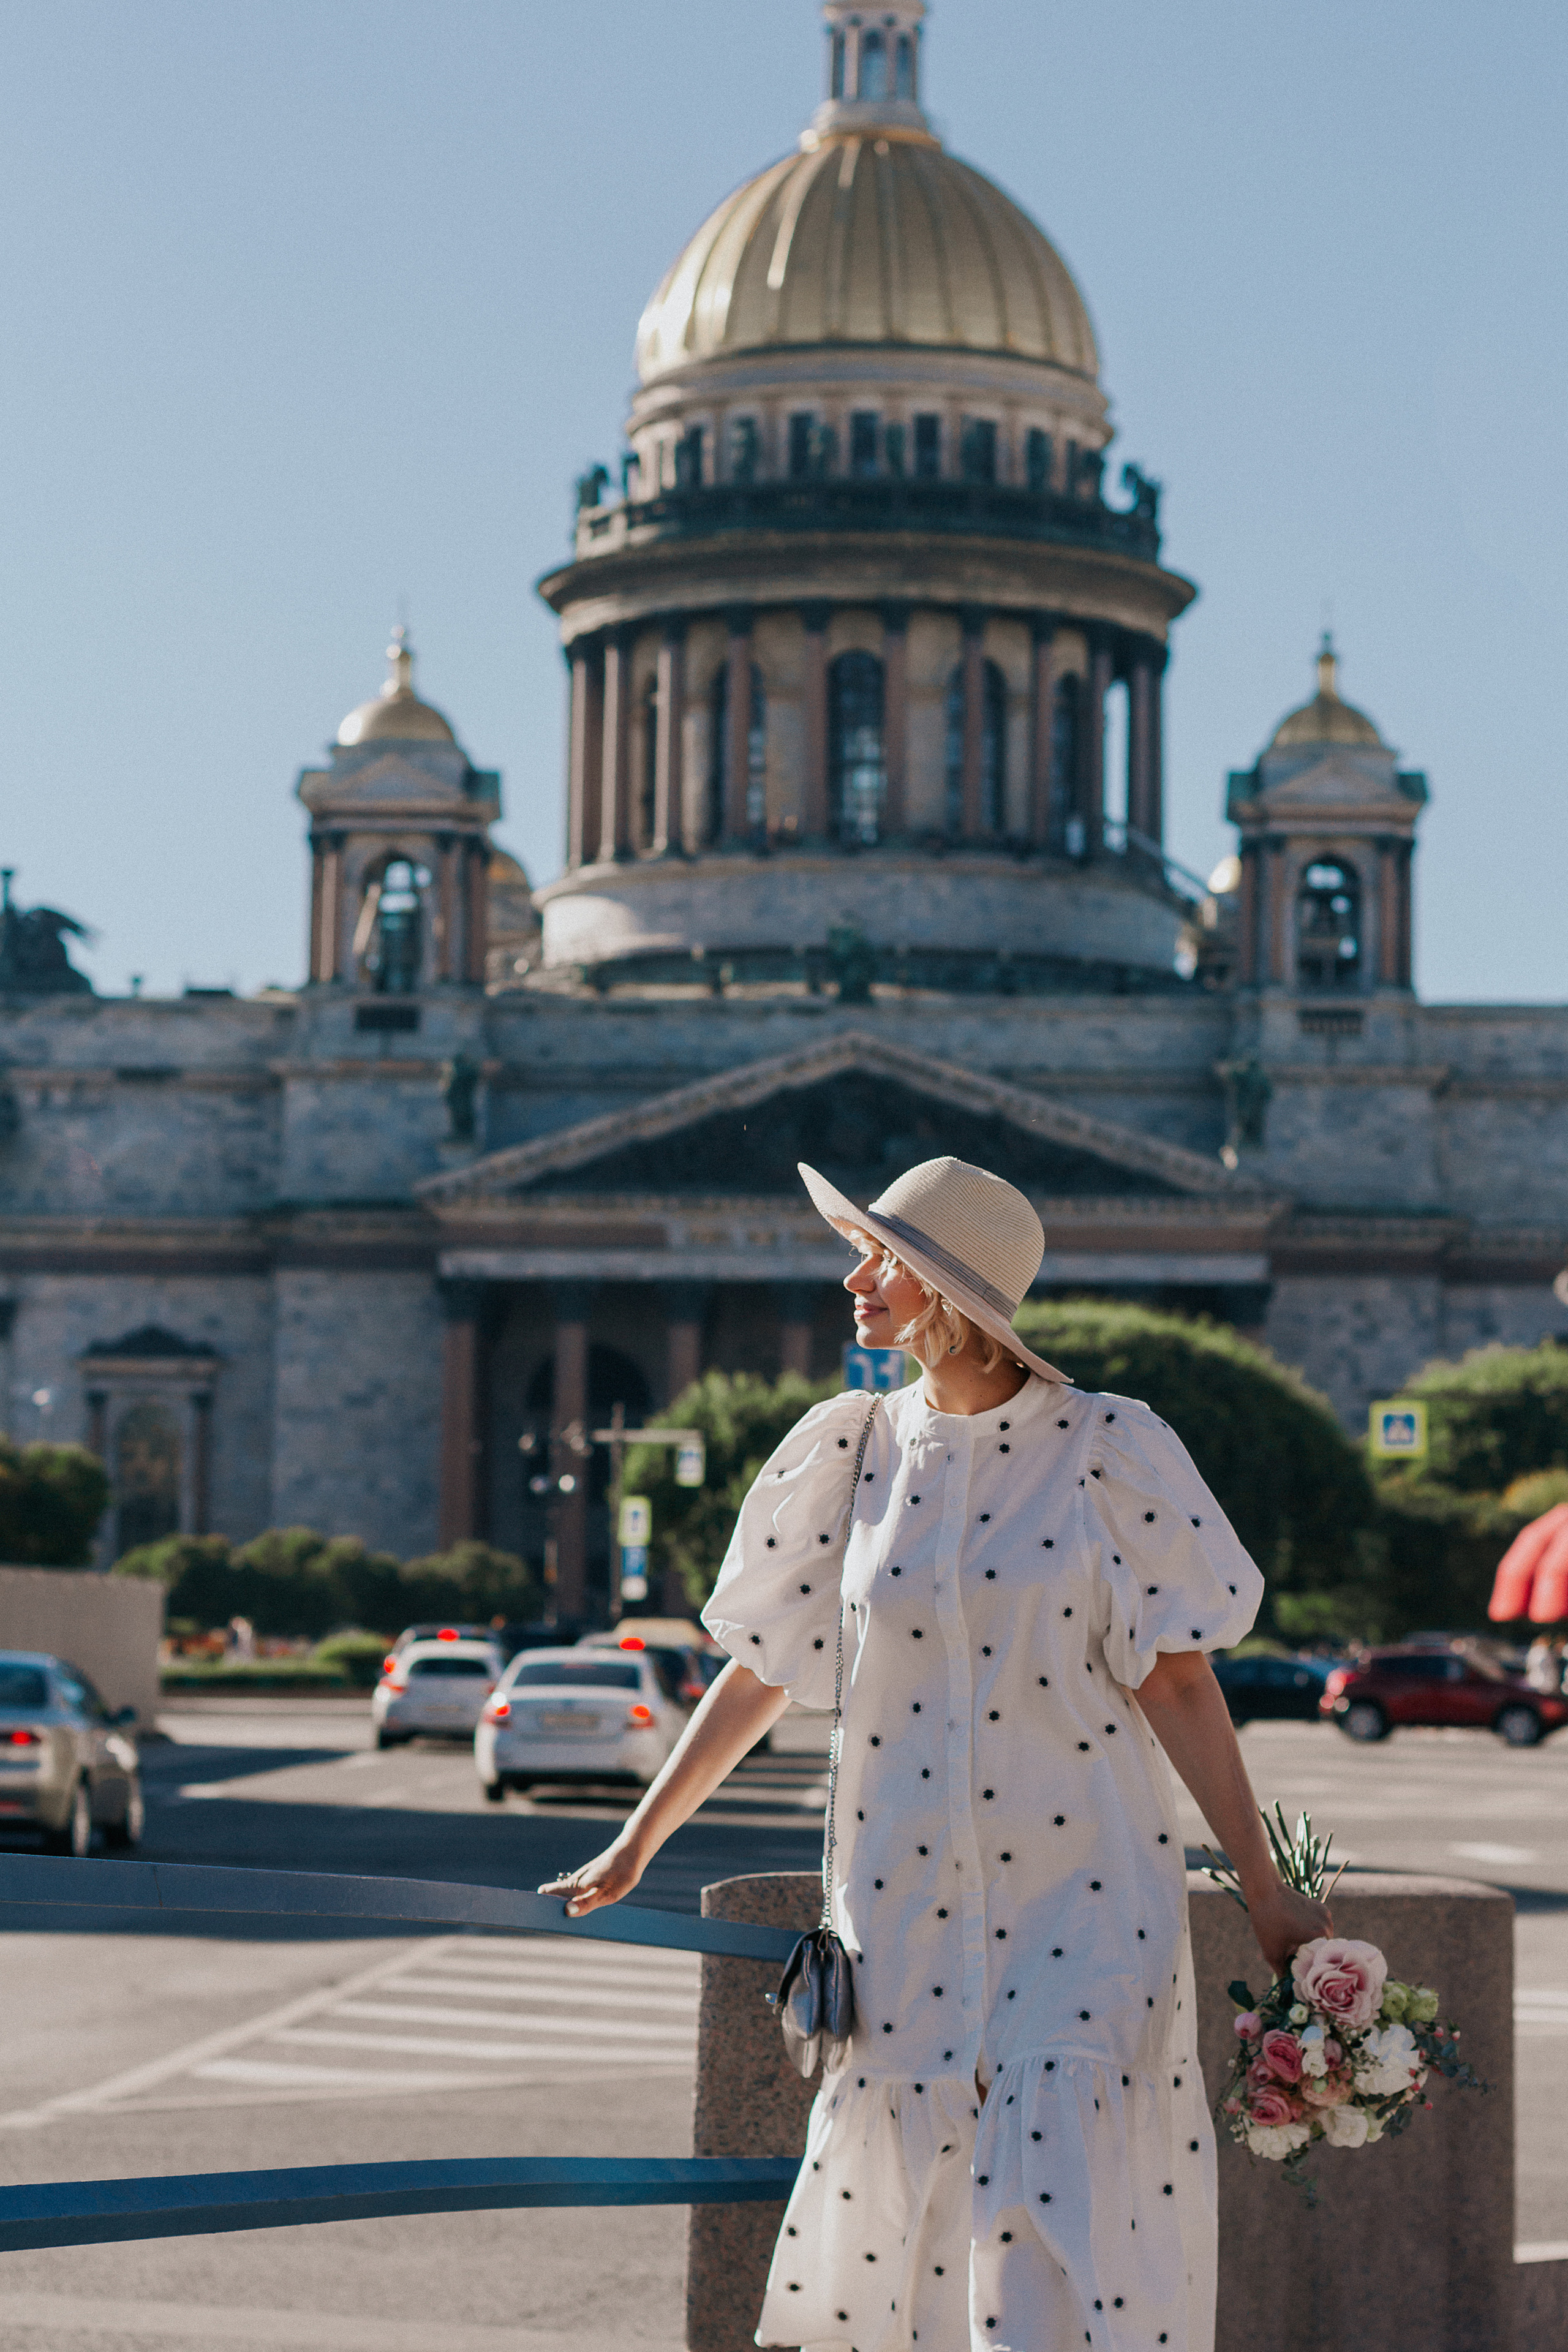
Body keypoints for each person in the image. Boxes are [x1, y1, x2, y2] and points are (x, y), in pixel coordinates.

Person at [541, 1156, 1330, 2352]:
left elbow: (1176, 1679)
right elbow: (760, 1671)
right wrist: (636, 1839)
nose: (853, 1280)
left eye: (882, 1259)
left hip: (1084, 1890)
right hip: (899, 1901)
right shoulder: (845, 1451)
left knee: (1046, 2203)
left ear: (952, 1294)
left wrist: (1262, 1894)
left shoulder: (1106, 1449)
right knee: (894, 2235)